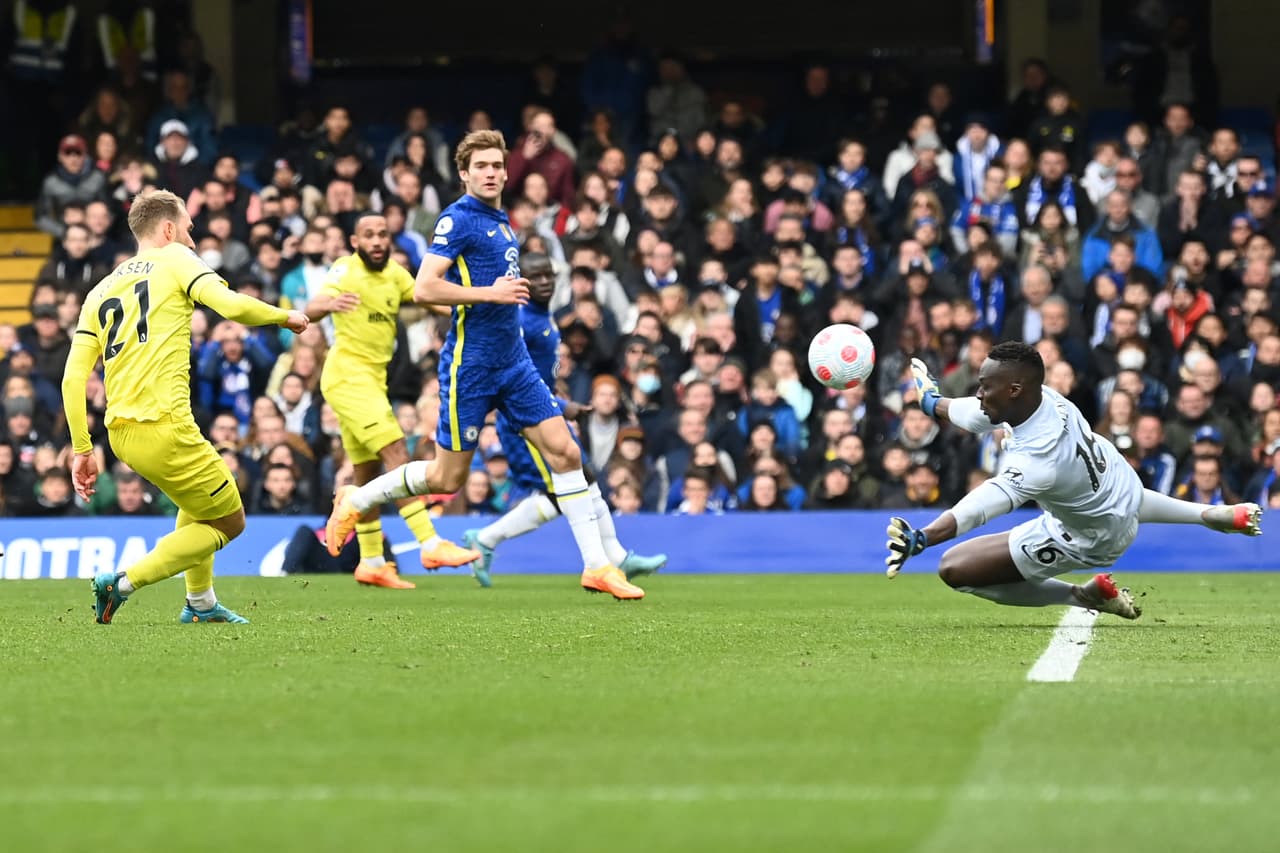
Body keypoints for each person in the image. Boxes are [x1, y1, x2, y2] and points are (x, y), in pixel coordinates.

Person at [323, 130, 646, 600]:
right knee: (446, 478)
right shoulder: (458, 220)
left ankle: (598, 565)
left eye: (497, 165)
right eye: (482, 167)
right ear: (464, 174)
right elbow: (424, 288)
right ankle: (356, 498)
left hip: (513, 362)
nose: (492, 173)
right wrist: (488, 294)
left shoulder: (501, 220)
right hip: (471, 364)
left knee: (567, 453)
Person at [62, 189, 309, 624]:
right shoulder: (176, 258)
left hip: (121, 435)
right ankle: (120, 583)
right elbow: (230, 305)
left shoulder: (100, 289)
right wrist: (285, 316)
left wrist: (83, 450)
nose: (194, 242)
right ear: (170, 229)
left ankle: (200, 604)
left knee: (195, 503)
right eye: (190, 231)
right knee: (230, 523)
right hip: (165, 425)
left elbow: (72, 379)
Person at [883, 342, 1263, 620]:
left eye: (985, 384)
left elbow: (982, 505)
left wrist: (924, 538)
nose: (979, 391)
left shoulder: (1037, 461)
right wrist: (932, 401)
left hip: (1090, 537)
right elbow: (978, 412)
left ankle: (1081, 596)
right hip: (1118, 484)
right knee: (1121, 501)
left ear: (1014, 389)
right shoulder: (1043, 396)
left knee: (955, 569)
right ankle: (1208, 514)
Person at [460, 252, 667, 587]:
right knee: (568, 490)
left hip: (544, 412)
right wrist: (560, 404)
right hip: (522, 423)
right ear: (520, 280)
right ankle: (611, 560)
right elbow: (511, 380)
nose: (543, 282)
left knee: (576, 482)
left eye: (548, 275)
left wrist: (560, 403)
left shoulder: (546, 317)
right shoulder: (520, 324)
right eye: (534, 276)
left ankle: (485, 540)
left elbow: (537, 378)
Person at [304, 211, 479, 589]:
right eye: (368, 235)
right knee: (397, 451)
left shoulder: (396, 274)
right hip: (348, 378)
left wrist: (476, 305)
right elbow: (313, 306)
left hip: (371, 382)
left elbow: (429, 296)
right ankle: (429, 542)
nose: (377, 241)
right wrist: (329, 306)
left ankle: (370, 561)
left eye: (383, 234)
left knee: (366, 473)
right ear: (355, 242)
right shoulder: (344, 269)